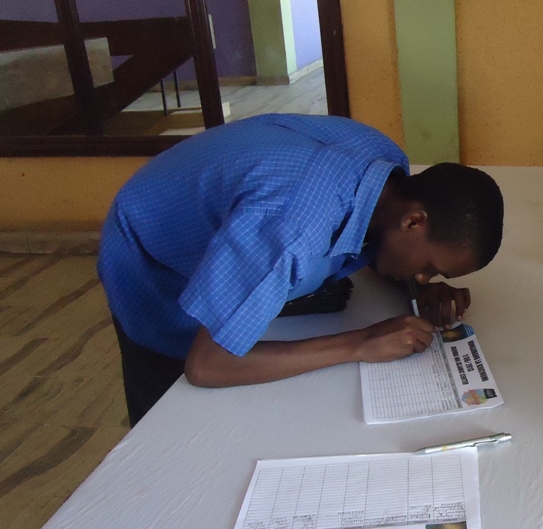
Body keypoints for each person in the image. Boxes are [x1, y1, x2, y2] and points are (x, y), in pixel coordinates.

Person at [98, 113, 504, 426]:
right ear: (414, 221)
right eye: (429, 269)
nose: (422, 279)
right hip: (152, 253)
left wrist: (417, 292)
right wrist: (360, 343)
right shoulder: (291, 229)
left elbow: (364, 232)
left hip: (232, 211)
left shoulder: (388, 169)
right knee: (173, 423)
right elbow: (206, 365)